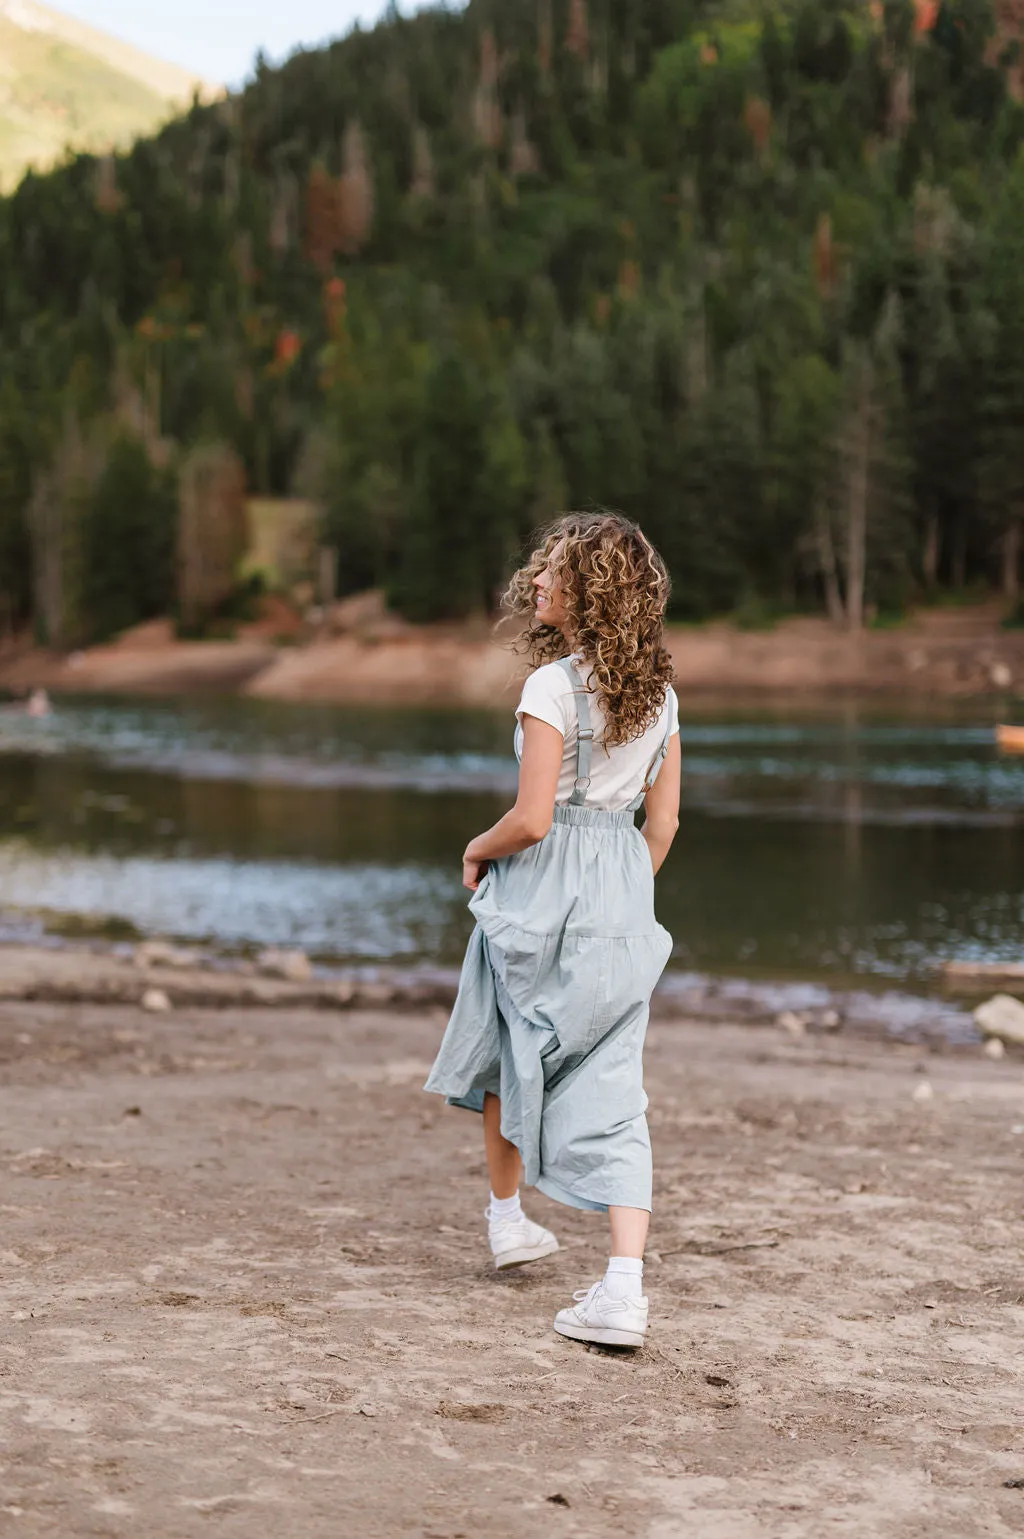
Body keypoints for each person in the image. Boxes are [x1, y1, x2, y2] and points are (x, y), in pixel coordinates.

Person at [425, 512, 681, 1349]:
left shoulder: (552, 688)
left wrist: (473, 845)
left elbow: (533, 818)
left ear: (589, 594)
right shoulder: (664, 698)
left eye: (554, 573)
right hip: (620, 889)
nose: (537, 580)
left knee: (507, 1036)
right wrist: (620, 898)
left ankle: (507, 1216)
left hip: (544, 886)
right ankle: (623, 1288)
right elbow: (664, 822)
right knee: (616, 1085)